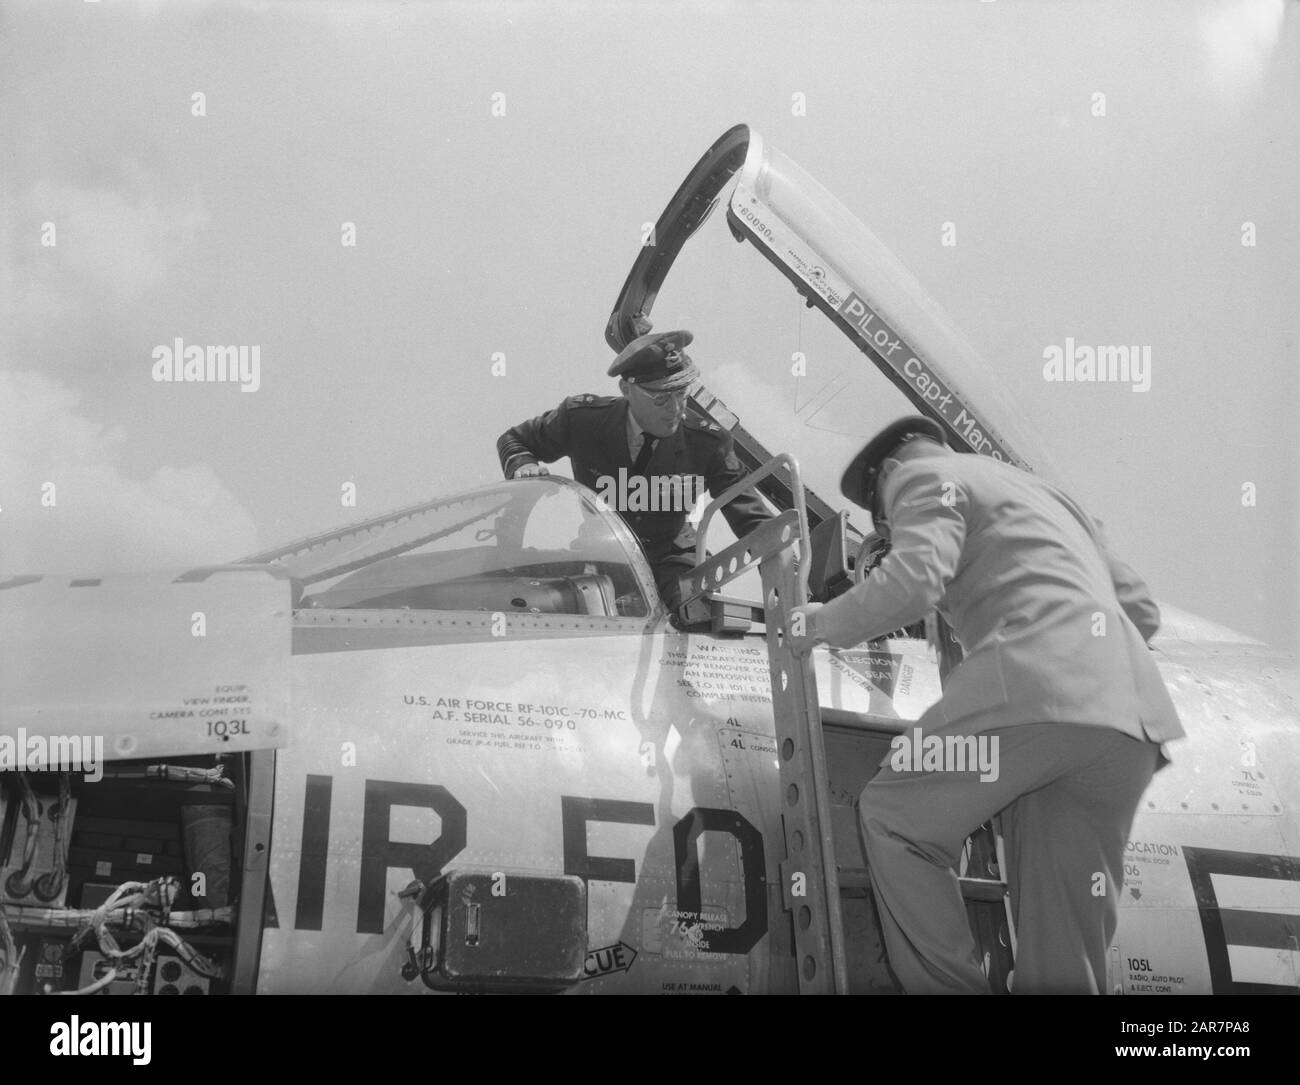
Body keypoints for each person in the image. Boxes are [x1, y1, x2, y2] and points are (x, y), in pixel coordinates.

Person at [790, 416, 1184, 994]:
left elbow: (914, 581)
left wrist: (822, 622)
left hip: (1031, 691)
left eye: (885, 520)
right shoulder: (1053, 499)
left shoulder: (921, 478)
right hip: (1129, 722)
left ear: (891, 474)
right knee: (1063, 934)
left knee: (896, 818)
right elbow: (1142, 612)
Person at [496, 330, 770, 622]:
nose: (675, 410)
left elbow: (749, 511)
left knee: (694, 615)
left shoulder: (706, 442)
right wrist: (522, 466)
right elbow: (514, 440)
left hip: (674, 560)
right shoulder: (582, 419)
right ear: (627, 389)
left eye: (681, 393)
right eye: (661, 398)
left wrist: (778, 557)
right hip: (603, 554)